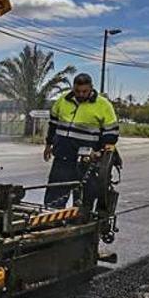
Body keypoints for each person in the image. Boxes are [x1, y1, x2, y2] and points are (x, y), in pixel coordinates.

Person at [43, 73, 119, 211]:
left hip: (86, 163)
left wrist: (100, 153)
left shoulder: (103, 105)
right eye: (77, 91)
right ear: (73, 88)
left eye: (84, 91)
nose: (81, 94)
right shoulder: (63, 100)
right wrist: (48, 145)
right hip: (62, 159)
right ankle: (51, 227)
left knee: (84, 202)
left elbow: (111, 133)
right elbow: (53, 124)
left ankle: (81, 227)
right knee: (54, 198)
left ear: (91, 88)